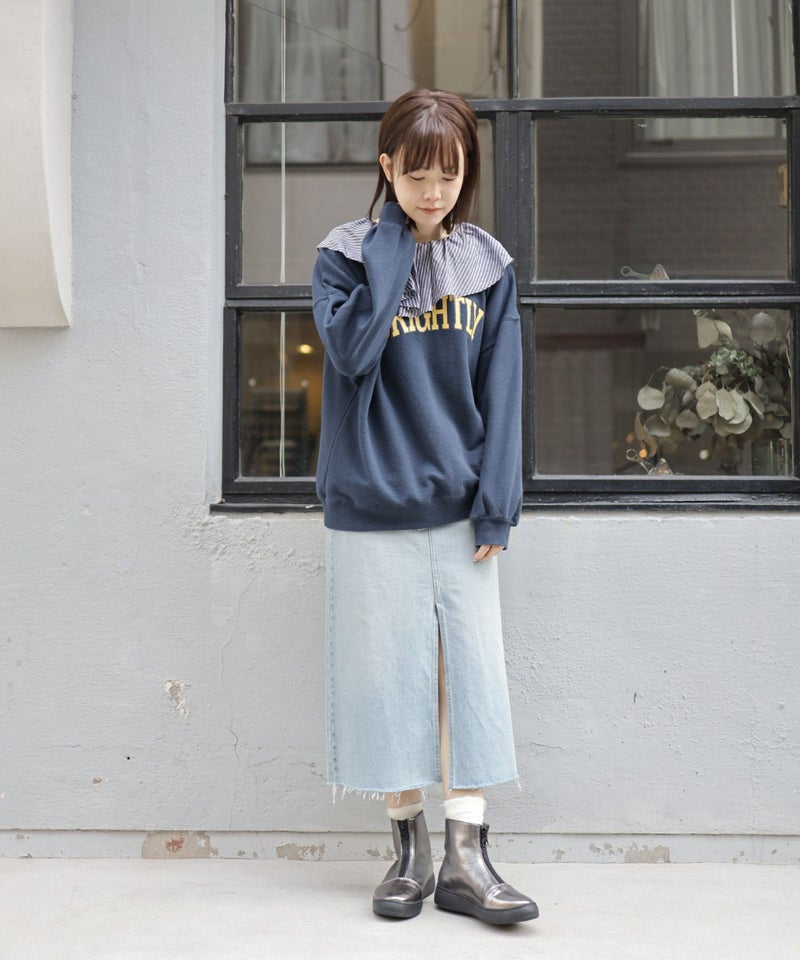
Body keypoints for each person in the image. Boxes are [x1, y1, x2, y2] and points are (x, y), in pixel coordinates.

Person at [311, 88, 538, 925]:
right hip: (369, 501)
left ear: (465, 170)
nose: (434, 191)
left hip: (459, 507)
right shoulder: (345, 256)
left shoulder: (488, 266)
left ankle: (466, 860)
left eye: (449, 173)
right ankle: (407, 852)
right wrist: (395, 249)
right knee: (386, 679)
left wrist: (496, 506)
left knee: (465, 677)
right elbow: (351, 351)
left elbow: (503, 392)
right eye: (416, 175)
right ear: (388, 169)